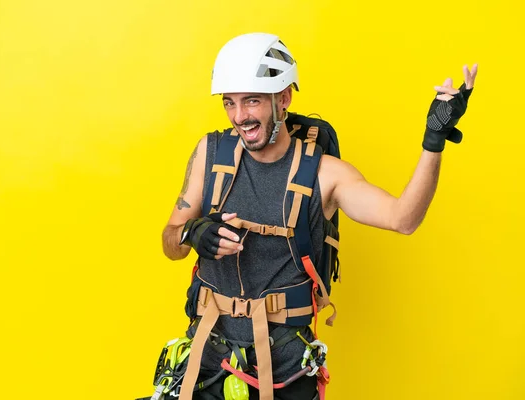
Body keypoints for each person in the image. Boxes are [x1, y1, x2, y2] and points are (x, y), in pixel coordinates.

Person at [159, 32, 478, 400]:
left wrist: (433, 140)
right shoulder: (209, 154)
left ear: (284, 98)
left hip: (286, 371)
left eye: (252, 101)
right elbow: (171, 240)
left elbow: (403, 218)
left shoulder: (326, 175)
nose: (239, 116)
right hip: (208, 361)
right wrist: (191, 233)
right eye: (229, 103)